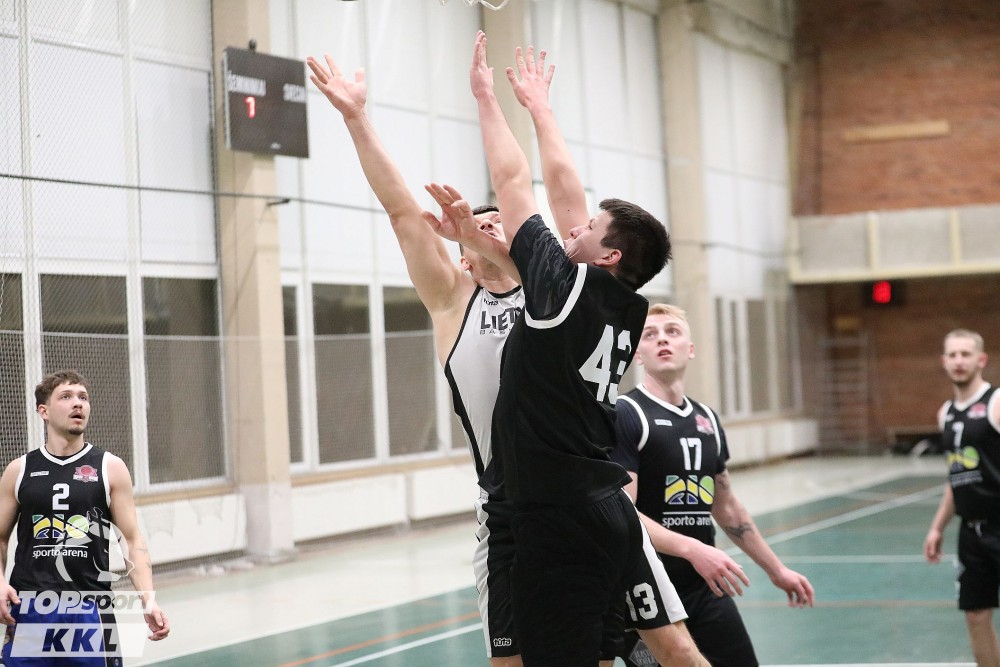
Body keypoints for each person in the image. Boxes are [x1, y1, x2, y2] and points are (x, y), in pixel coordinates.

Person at [423, 32, 705, 667]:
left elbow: (514, 179)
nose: (574, 226)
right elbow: (556, 207)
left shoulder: (560, 288)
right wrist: (540, 112)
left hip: (558, 516)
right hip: (602, 504)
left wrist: (485, 97)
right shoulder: (624, 305)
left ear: (608, 254)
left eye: (590, 228)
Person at [307, 51, 574, 666]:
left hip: (579, 495)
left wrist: (517, 108)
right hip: (505, 506)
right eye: (477, 225)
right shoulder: (455, 300)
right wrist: (355, 118)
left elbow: (536, 186)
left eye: (499, 222)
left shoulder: (552, 293)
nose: (490, 226)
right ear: (460, 253)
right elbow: (403, 212)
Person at [611, 304, 815, 666]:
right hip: (648, 587)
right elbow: (624, 514)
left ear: (690, 349)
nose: (662, 340)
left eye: (672, 331)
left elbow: (727, 507)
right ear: (638, 355)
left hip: (704, 585)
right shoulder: (627, 414)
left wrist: (776, 570)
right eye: (650, 334)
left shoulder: (706, 419)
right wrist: (693, 549)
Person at [0, 370, 170, 666]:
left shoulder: (110, 467)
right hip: (30, 609)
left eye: (83, 397)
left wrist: (148, 599)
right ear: (44, 411)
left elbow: (132, 541)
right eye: (66, 397)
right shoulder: (20, 470)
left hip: (90, 609)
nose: (77, 403)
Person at [924, 329, 1000, 667]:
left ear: (981, 360)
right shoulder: (946, 413)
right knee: (975, 615)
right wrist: (937, 527)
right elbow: (956, 477)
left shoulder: (996, 403)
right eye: (952, 355)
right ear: (944, 361)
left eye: (965, 354)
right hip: (971, 532)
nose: (958, 361)